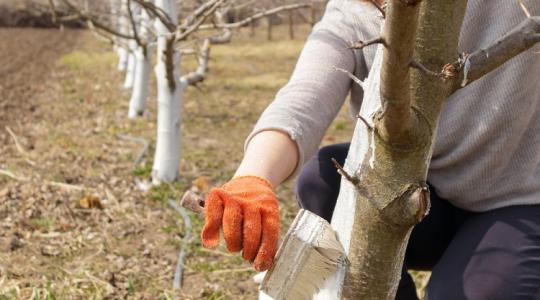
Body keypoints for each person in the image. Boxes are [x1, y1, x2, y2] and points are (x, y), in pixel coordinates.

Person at [200, 0, 540, 299]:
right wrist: (252, 178)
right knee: (322, 179)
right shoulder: (354, 11)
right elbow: (303, 99)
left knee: (470, 293)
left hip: (519, 201)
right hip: (422, 199)